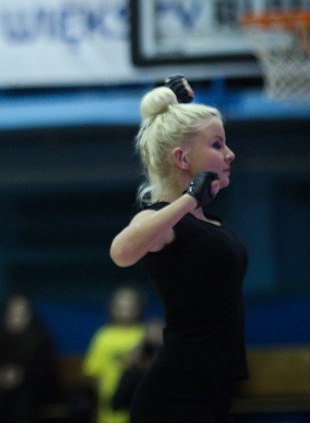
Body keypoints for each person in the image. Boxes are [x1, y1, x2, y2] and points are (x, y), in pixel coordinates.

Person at [109, 76, 249, 422]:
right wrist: (187, 200)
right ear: (181, 158)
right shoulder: (163, 220)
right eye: (217, 145)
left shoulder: (203, 218)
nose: (229, 154)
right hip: (176, 394)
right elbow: (121, 252)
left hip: (212, 389)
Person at [0, 293, 63, 423]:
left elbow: (44, 371)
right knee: (4, 397)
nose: (17, 319)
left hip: (40, 389)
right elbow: (2, 366)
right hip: (11, 391)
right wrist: (8, 375)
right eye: (13, 314)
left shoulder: (41, 337)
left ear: (30, 315)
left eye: (22, 314)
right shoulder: (0, 338)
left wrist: (22, 375)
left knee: (24, 395)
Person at [82, 285, 146, 423]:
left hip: (139, 397)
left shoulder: (144, 334)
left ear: (138, 307)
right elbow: (95, 373)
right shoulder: (103, 336)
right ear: (112, 307)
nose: (126, 311)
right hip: (109, 397)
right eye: (121, 307)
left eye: (130, 306)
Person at [109, 319, 164, 412]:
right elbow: (116, 404)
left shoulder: (173, 372)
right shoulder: (133, 373)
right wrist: (133, 367)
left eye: (158, 349)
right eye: (149, 348)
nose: (153, 354)